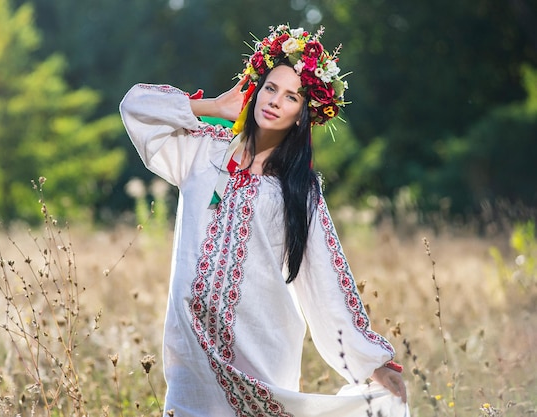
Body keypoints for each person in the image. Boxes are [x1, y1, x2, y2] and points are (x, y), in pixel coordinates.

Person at [120, 24, 409, 417]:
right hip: (192, 353)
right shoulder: (202, 149)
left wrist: (372, 361)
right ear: (256, 87)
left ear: (302, 115)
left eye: (291, 97)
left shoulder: (299, 191)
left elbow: (324, 279)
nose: (275, 101)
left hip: (262, 345)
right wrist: (216, 107)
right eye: (270, 88)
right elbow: (135, 106)